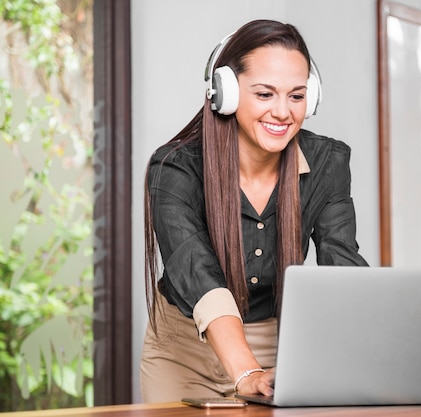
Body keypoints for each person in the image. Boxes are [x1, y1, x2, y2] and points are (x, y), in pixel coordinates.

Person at [140, 19, 368, 402]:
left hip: (278, 350)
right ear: (224, 92)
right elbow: (196, 271)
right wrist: (245, 370)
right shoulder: (176, 168)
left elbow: (342, 266)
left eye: (296, 96)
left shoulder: (328, 162)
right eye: (265, 94)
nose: (283, 112)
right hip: (185, 352)